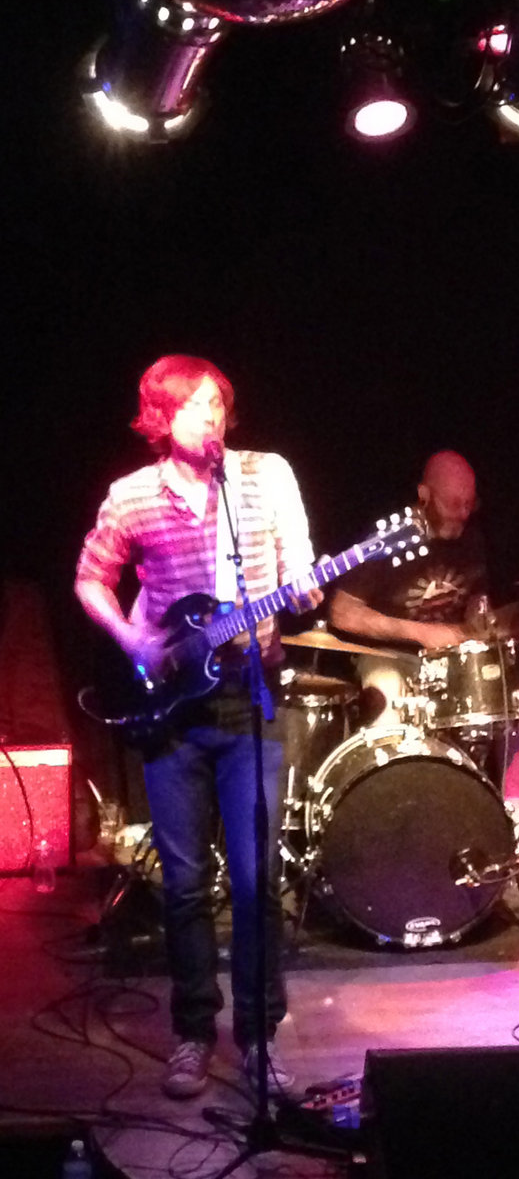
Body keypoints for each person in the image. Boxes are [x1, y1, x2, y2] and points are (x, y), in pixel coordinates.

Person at [75, 354, 323, 1099]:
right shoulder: (131, 497)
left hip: (249, 699)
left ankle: (258, 1038)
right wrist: (134, 639)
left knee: (256, 883)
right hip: (172, 713)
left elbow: (301, 567)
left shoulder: (265, 477)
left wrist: (304, 587)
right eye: (193, 406)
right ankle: (192, 1033)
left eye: (218, 403)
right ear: (160, 417)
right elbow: (91, 577)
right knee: (183, 887)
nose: (210, 416)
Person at [329, 450, 489, 724]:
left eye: (469, 504)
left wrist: (482, 624)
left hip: (451, 659)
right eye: (453, 504)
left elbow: (477, 601)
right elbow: (341, 612)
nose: (463, 514)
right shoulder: (390, 539)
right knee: (386, 688)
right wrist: (421, 633)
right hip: (389, 656)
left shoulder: (471, 540)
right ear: (424, 495)